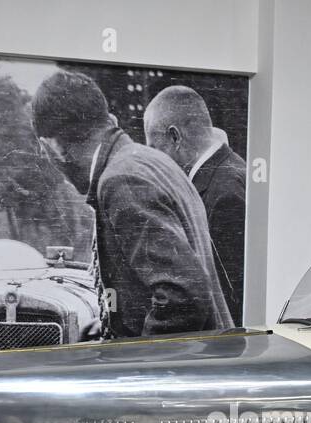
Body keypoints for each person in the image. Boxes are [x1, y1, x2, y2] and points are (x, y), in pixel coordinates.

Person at [31, 71, 230, 338]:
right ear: (106, 119)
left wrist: (130, 361)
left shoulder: (122, 180)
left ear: (52, 146)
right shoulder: (147, 161)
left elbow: (183, 298)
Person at [144, 85, 247, 326]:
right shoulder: (231, 172)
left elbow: (230, 301)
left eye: (154, 150)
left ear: (175, 137)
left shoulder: (223, 195)